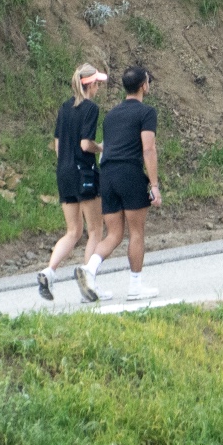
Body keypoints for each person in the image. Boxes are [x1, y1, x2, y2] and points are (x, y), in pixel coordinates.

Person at [76, 65, 161, 304]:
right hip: (129, 173)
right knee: (136, 232)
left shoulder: (111, 115)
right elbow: (148, 148)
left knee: (113, 233)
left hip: (107, 175)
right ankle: (135, 286)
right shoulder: (147, 112)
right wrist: (154, 185)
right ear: (144, 85)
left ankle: (89, 270)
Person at [37, 64, 107, 302]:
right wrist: (101, 148)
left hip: (64, 172)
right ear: (91, 84)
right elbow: (86, 144)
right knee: (95, 230)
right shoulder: (90, 108)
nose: (99, 87)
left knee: (72, 230)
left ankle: (49, 271)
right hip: (84, 172)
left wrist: (67, 162)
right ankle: (88, 283)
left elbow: (58, 145)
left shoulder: (65, 107)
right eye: (98, 83)